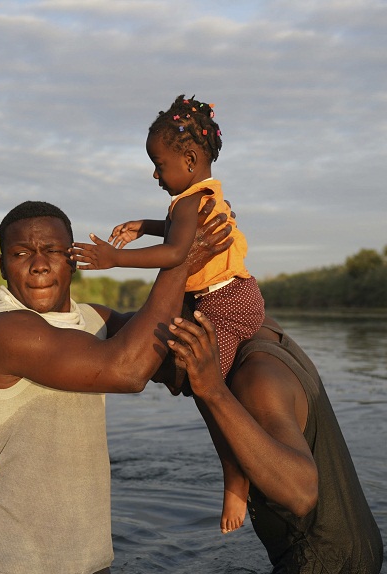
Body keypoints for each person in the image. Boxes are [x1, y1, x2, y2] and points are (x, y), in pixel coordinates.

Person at [0, 199, 231, 574]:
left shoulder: (96, 319)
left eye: (52, 251)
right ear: (2, 265)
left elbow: (168, 360)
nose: (38, 264)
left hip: (90, 568)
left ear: (73, 260)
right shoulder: (1, 330)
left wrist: (219, 277)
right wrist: (180, 259)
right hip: (13, 571)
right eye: (21, 254)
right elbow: (127, 370)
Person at [74, 94, 264, 533]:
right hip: (233, 295)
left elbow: (179, 250)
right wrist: (145, 225)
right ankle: (236, 471)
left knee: (209, 391)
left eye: (159, 164)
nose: (155, 174)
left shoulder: (188, 203)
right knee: (198, 378)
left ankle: (236, 478)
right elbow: (180, 230)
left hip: (225, 303)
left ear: (191, 158)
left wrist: (114, 258)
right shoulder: (201, 197)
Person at [167, 310, 384, 574]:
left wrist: (212, 390)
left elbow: (302, 492)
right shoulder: (263, 330)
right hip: (353, 551)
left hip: (321, 571)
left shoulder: (257, 379)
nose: (169, 388)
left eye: (161, 374)